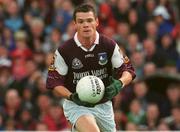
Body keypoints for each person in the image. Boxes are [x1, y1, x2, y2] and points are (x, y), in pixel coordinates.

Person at [46, 3, 136, 132]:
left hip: (104, 104)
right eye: (81, 21)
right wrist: (72, 96)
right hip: (77, 105)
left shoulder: (108, 45)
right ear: (75, 24)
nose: (86, 25)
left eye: (89, 20)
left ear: (97, 22)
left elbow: (128, 70)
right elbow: (54, 82)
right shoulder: (64, 50)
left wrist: (119, 84)